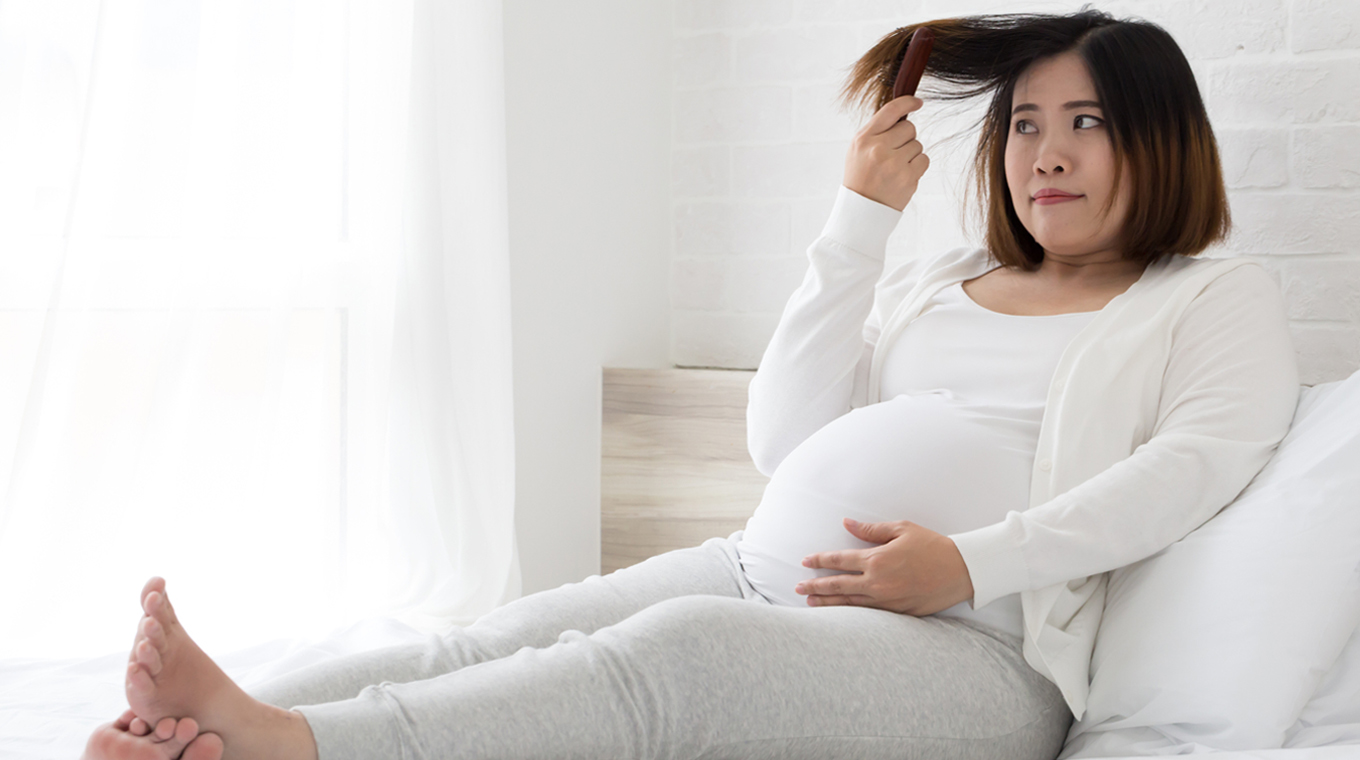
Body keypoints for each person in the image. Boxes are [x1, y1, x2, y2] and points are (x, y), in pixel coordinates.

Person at [82, 9, 1299, 760]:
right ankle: (211, 721)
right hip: (756, 563)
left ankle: (295, 748)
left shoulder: (1206, 298)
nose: (1045, 150)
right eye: (1025, 122)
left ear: (1158, 138)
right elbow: (783, 435)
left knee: (678, 656)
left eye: (1084, 121)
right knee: (506, 631)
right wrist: (859, 220)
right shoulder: (950, 274)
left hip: (977, 653)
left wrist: (965, 566)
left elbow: (1179, 479)